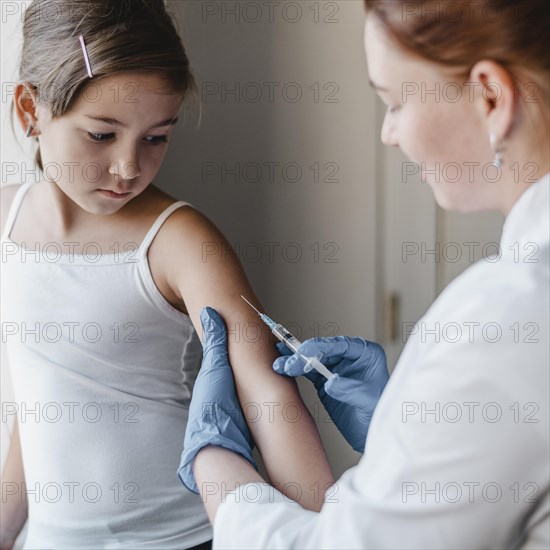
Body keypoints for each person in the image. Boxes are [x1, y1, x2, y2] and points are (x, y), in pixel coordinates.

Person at [178, 1, 550, 548]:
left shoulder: (509, 314)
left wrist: (217, 469)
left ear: (491, 96)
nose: (389, 134)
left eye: (395, 102)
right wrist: (399, 427)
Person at [0, 1, 334, 548]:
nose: (129, 167)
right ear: (30, 109)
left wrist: (333, 535)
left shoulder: (179, 240)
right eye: (102, 135)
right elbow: (39, 407)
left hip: (178, 538)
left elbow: (270, 400)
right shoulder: (5, 224)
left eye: (156, 137)